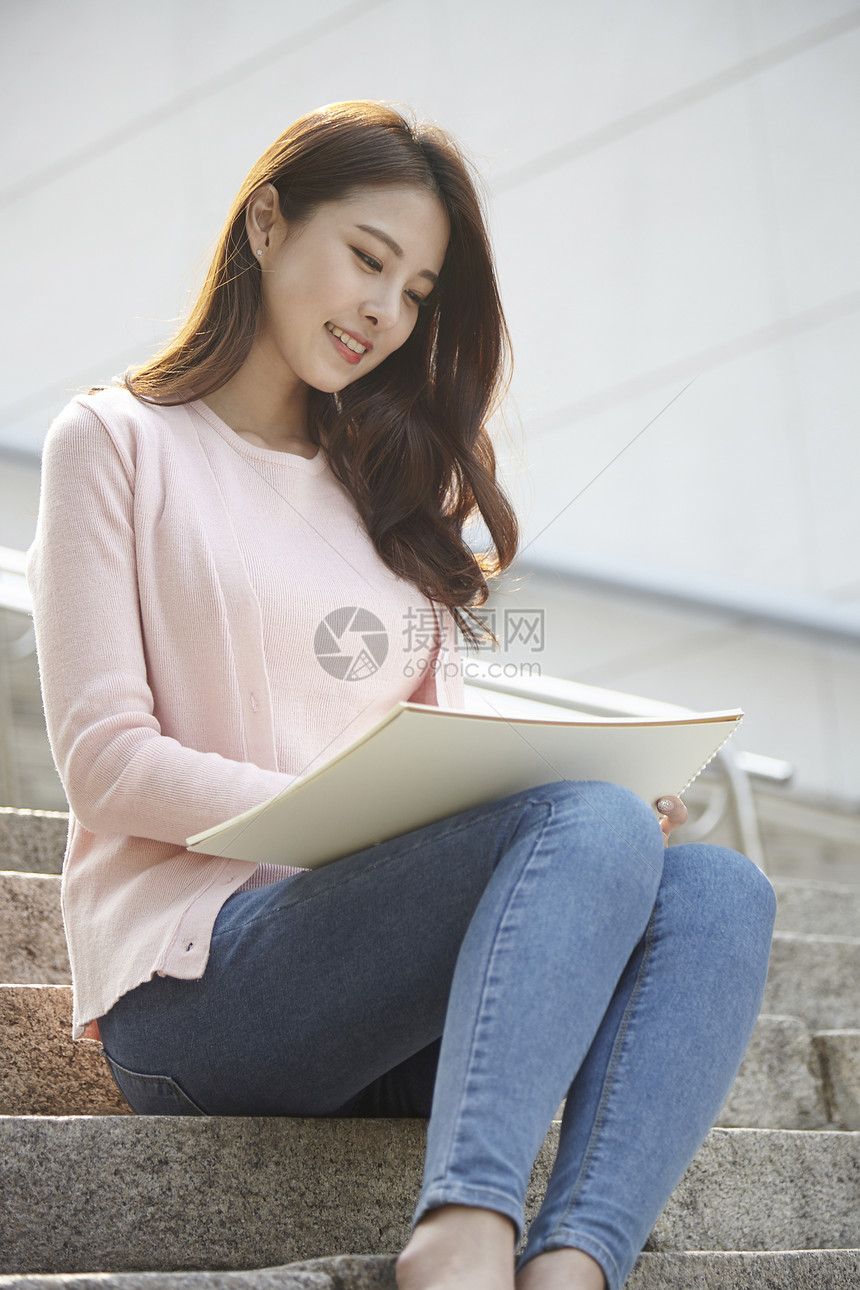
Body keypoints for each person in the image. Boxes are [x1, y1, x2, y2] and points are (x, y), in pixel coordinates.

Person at [26, 101, 776, 1290]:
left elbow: (434, 749)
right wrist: (411, 820)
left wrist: (587, 802)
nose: (386, 310)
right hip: (199, 988)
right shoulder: (115, 443)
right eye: (367, 259)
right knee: (574, 823)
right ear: (267, 223)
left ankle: (575, 1264)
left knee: (715, 888)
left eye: (417, 290)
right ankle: (463, 1234)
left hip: (386, 1002)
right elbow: (110, 761)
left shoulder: (384, 492)